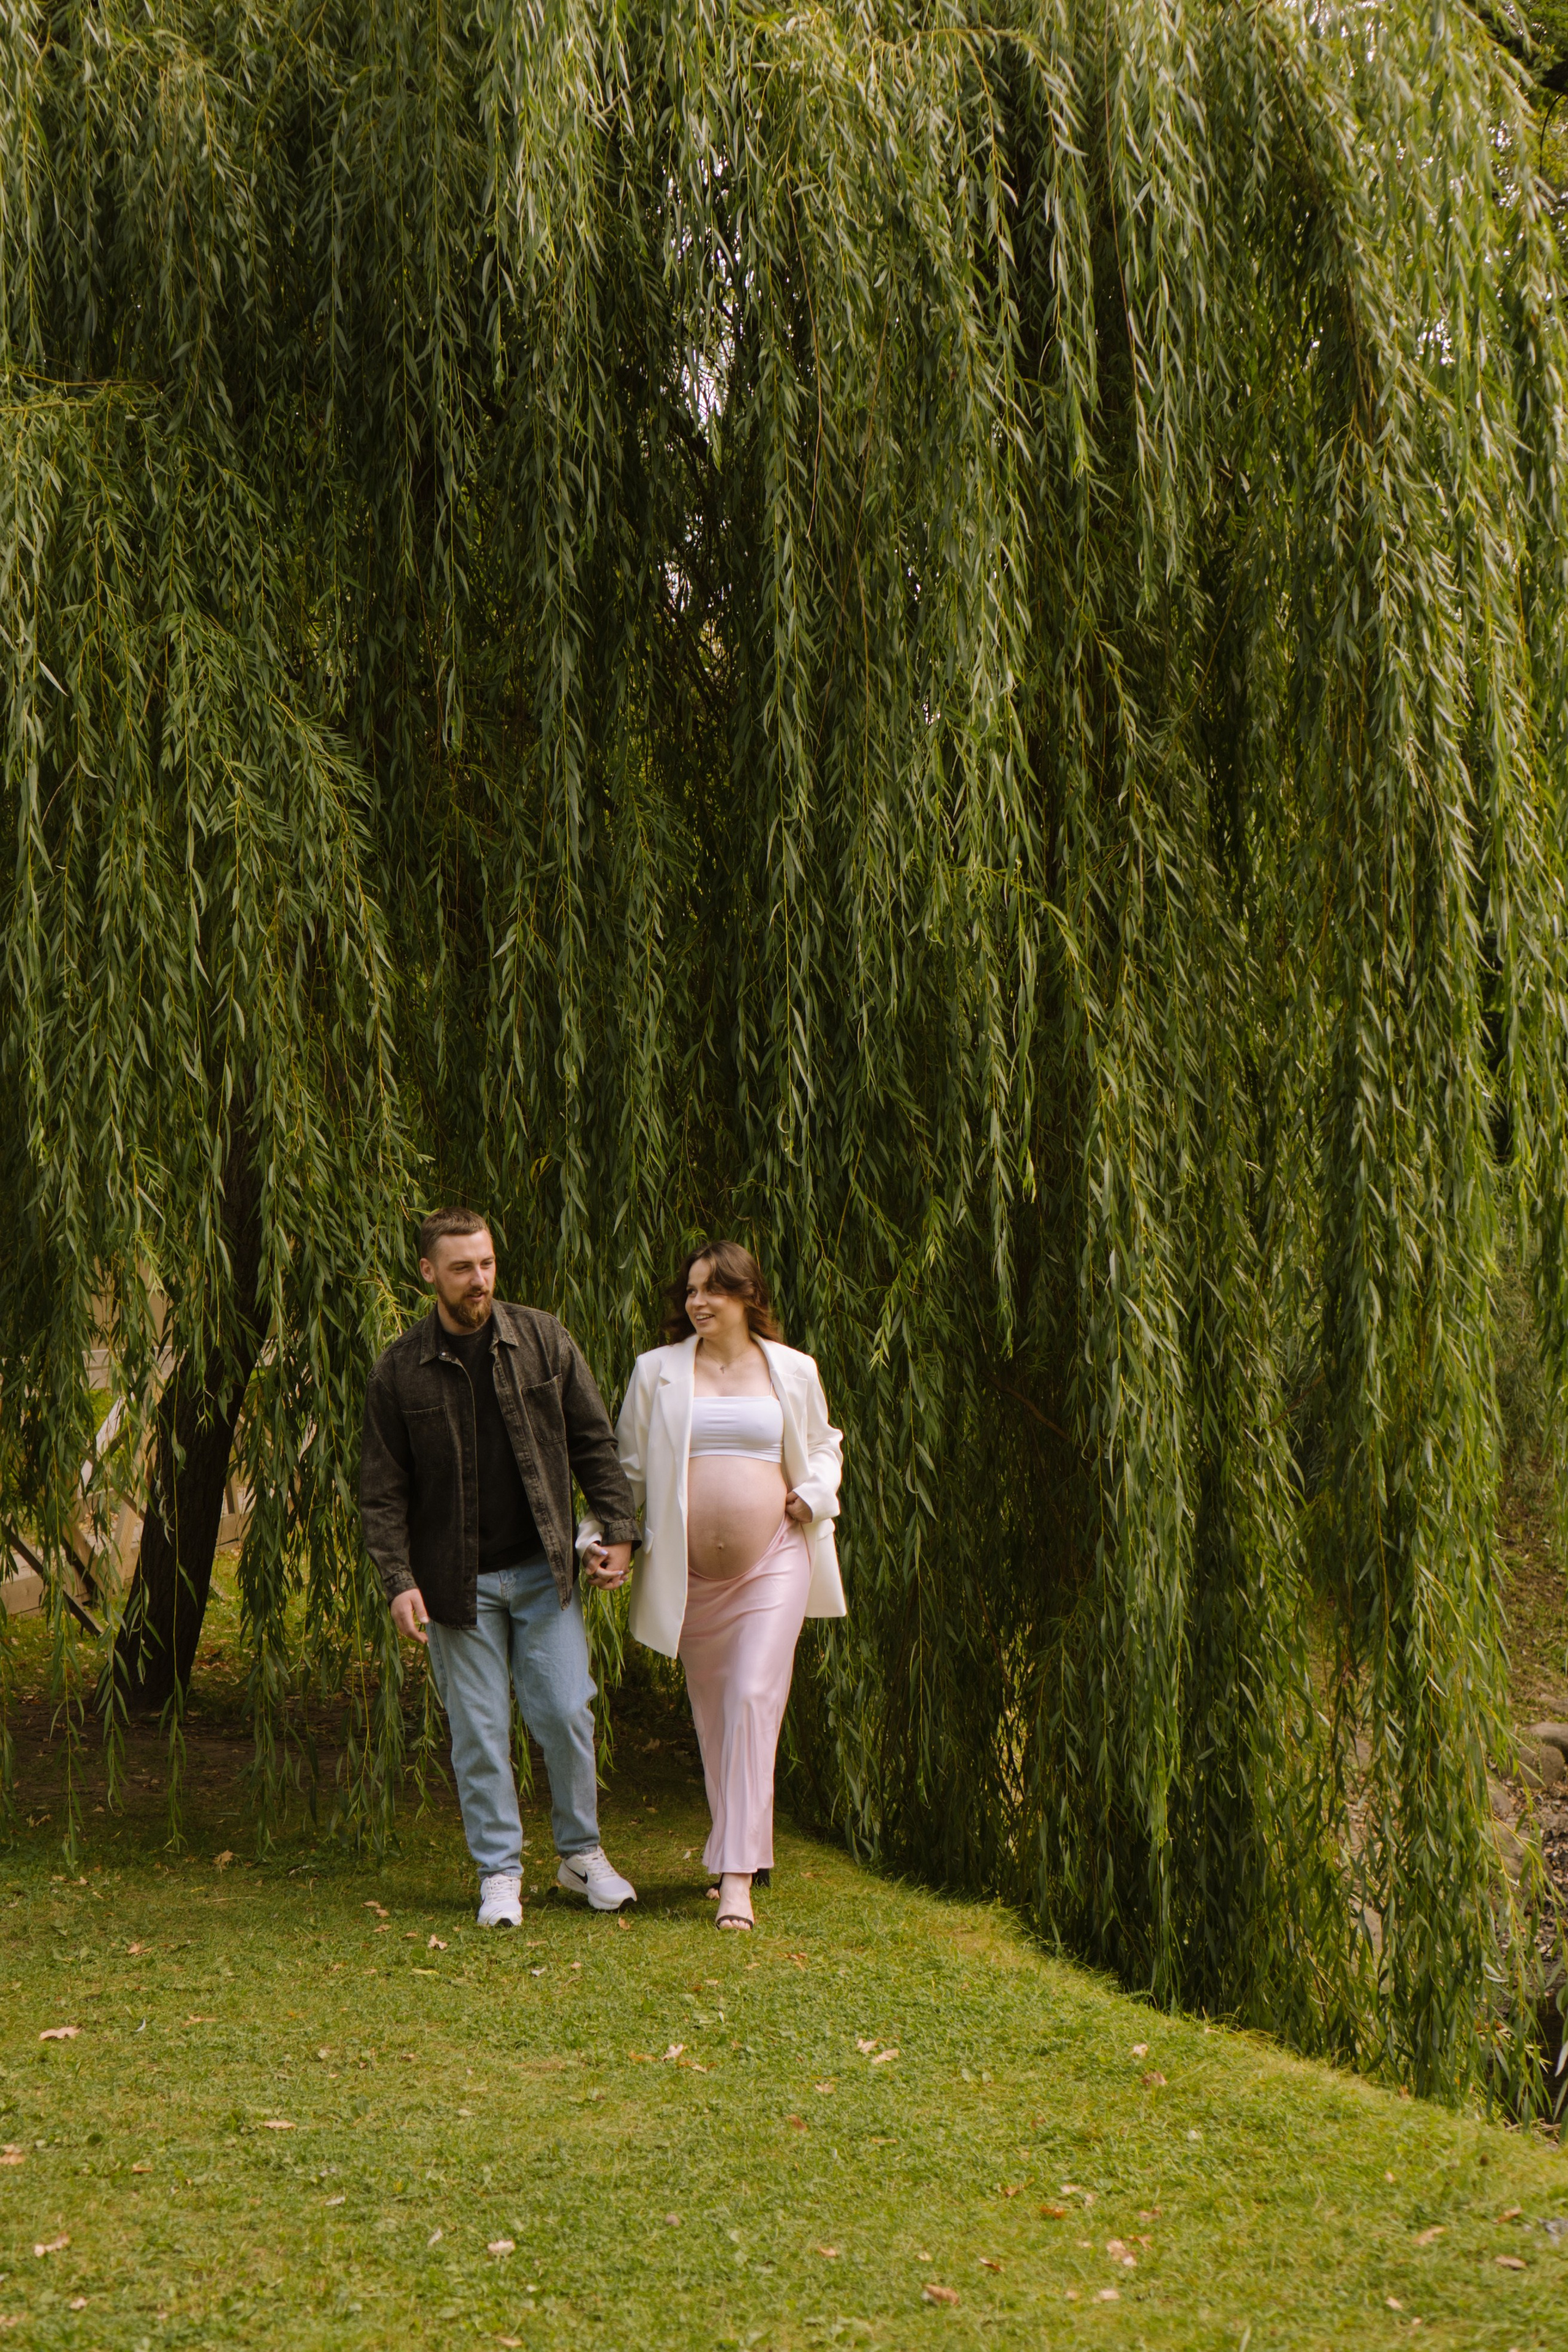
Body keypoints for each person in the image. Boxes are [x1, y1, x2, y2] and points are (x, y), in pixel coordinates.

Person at [360, 1208, 641, 1925]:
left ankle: (580, 1857)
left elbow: (594, 1444)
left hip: (545, 1573)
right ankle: (499, 1873)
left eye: (485, 1263)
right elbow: (382, 1491)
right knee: (479, 1731)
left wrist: (619, 1533)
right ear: (428, 1273)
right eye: (461, 1267)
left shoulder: (542, 1338)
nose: (478, 1279)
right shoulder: (399, 1370)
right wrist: (399, 1582)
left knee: (566, 1711)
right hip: (458, 1587)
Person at [584, 1242, 844, 1931]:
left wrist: (813, 1495)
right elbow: (628, 1470)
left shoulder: (792, 1369)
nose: (698, 1302)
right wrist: (603, 1537)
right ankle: (742, 1848)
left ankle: (735, 1880)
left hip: (775, 1559)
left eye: (714, 1291)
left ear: (746, 1296)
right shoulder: (656, 1372)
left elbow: (823, 1446)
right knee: (715, 1715)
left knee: (755, 1695)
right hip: (690, 1573)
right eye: (692, 1291)